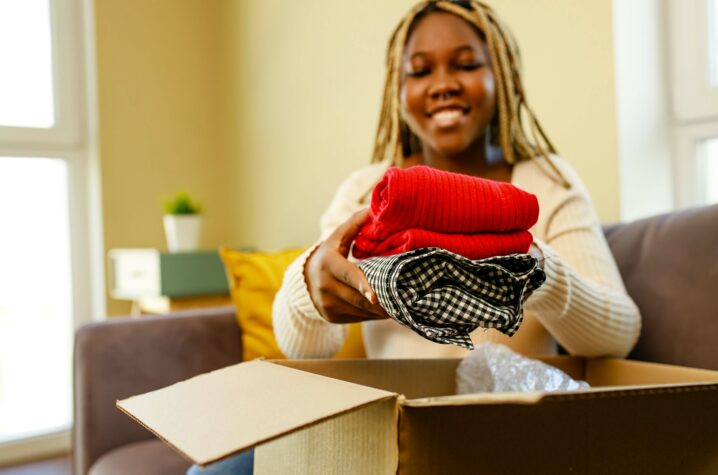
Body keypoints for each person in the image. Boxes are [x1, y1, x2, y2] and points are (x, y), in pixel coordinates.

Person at [189, 1, 640, 473]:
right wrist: (310, 292)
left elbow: (618, 336)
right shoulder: (367, 192)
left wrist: (527, 266)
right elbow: (304, 347)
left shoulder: (547, 184)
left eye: (466, 64)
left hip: (502, 432)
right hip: (385, 433)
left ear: (501, 75)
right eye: (420, 71)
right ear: (397, 89)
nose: (443, 84)